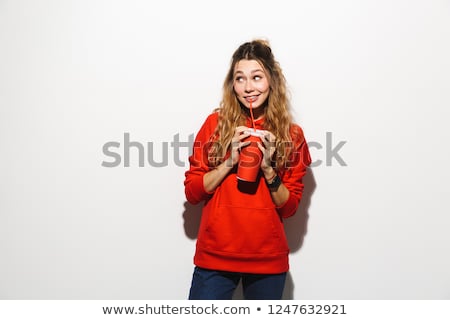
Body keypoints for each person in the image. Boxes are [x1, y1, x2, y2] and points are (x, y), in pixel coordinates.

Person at [184, 39, 311, 300]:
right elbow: (192, 193)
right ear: (232, 84)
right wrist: (229, 162)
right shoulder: (215, 124)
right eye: (240, 78)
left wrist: (268, 169)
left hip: (267, 260)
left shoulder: (292, 135)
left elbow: (289, 208)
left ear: (272, 81)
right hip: (215, 257)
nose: (248, 87)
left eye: (257, 77)